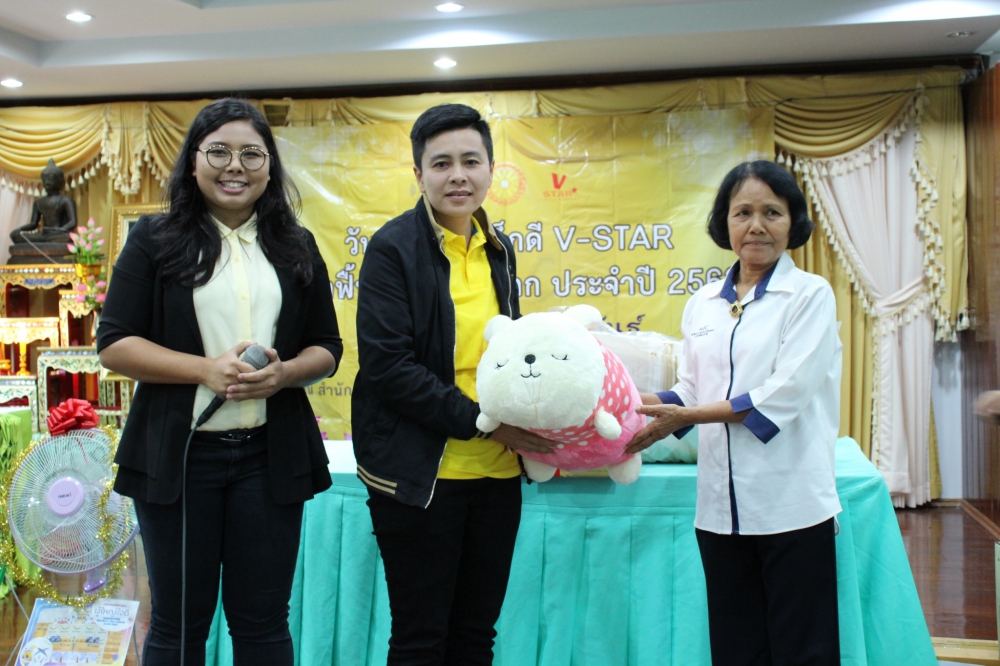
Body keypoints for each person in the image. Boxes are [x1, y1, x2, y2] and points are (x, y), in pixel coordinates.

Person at [97, 98, 343, 666]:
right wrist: (204, 369)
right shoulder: (154, 239)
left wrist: (284, 374)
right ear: (193, 161)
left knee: (263, 623)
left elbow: (327, 348)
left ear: (270, 167)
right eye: (219, 152)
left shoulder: (296, 244)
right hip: (180, 459)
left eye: (252, 154)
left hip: (269, 456)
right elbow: (114, 342)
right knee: (179, 624)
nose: (236, 166)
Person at [352, 103, 557, 666]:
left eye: (471, 161)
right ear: (419, 175)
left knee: (475, 636)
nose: (458, 176)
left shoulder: (498, 248)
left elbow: (508, 354)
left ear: (491, 169)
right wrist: (488, 424)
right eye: (441, 164)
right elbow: (389, 368)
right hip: (422, 474)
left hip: (496, 474)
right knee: (421, 640)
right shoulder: (393, 248)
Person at [625, 160, 843, 665]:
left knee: (803, 650)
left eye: (772, 212)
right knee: (735, 647)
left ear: (793, 221)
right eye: (743, 212)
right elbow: (689, 389)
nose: (757, 226)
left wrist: (687, 418)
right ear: (724, 222)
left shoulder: (810, 295)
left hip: (792, 505)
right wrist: (625, 400)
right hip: (719, 512)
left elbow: (784, 393)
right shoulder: (703, 302)